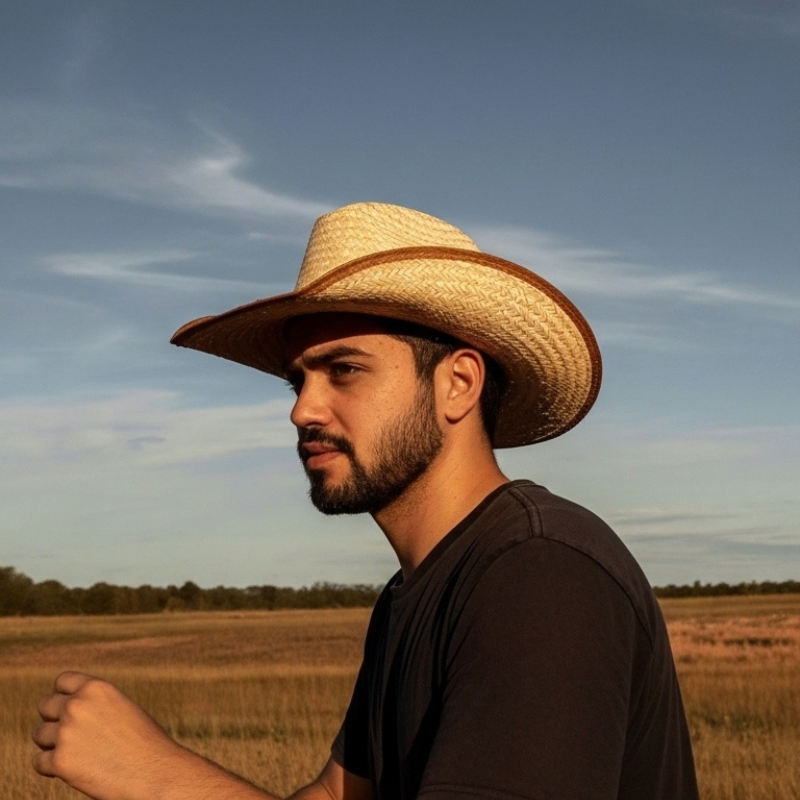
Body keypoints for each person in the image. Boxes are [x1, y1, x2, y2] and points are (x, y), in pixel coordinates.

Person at [33, 202, 699, 799]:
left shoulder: (539, 572)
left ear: (458, 384)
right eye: (298, 379)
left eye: (344, 370)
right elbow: (339, 795)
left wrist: (157, 777)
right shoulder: (411, 596)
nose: (301, 409)